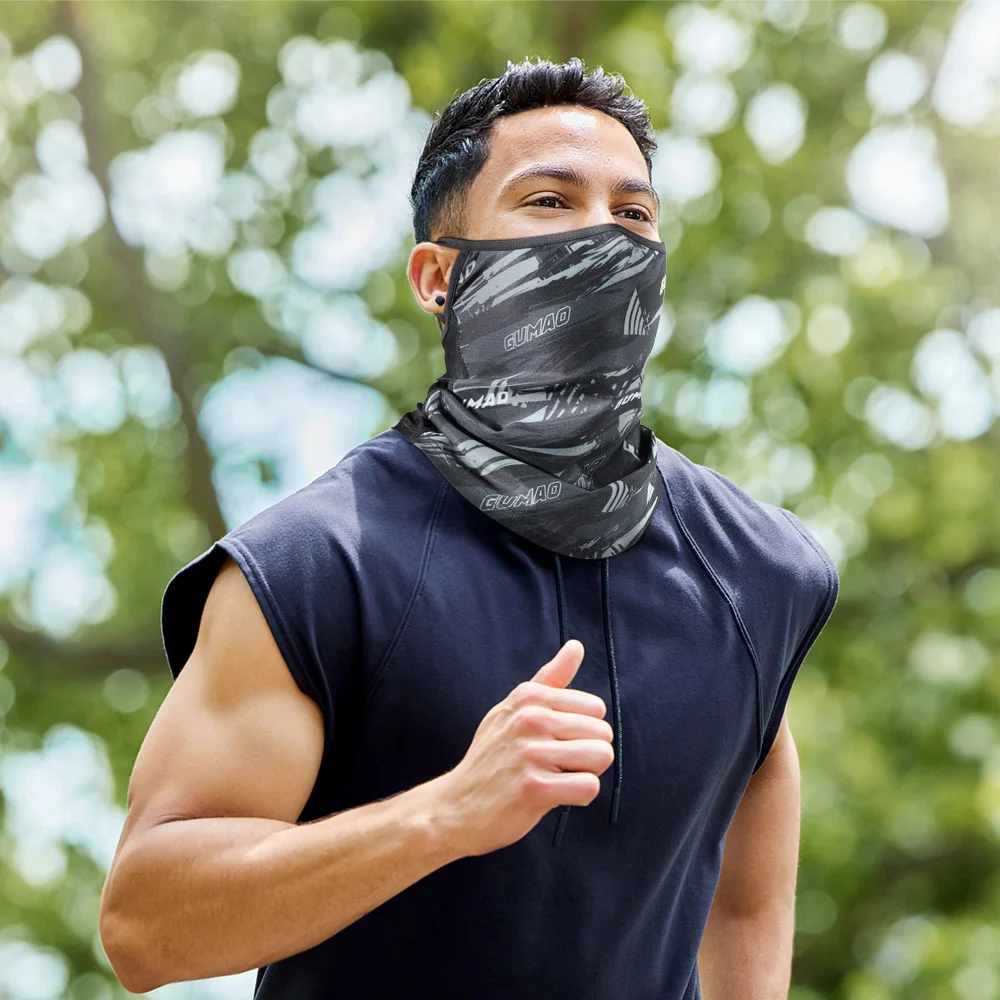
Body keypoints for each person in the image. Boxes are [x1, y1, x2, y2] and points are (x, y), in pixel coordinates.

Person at [99, 57, 838, 999]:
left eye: (633, 214)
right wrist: (445, 814)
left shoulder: (760, 574)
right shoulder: (316, 565)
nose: (602, 238)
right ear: (439, 278)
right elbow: (144, 927)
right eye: (548, 201)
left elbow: (741, 904)